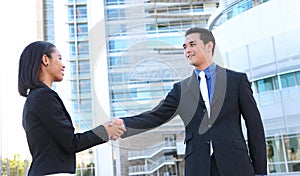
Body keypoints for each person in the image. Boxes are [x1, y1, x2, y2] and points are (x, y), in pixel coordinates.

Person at [118, 27, 267, 176]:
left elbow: (255, 127)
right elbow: (154, 116)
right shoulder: (180, 90)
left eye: (192, 44)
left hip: (236, 165)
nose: (187, 50)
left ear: (209, 46)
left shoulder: (236, 81)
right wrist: (123, 125)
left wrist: (260, 171)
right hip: (197, 167)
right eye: (184, 47)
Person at [18, 41, 125, 176]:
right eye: (59, 58)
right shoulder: (43, 96)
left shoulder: (35, 98)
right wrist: (105, 131)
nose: (63, 65)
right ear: (45, 60)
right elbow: (71, 143)